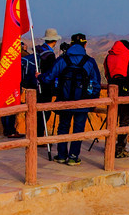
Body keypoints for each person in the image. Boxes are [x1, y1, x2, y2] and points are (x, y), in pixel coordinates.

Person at [40, 33, 101, 165]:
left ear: (71, 44)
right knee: (78, 130)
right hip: (82, 102)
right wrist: (92, 99)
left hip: (64, 101)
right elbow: (96, 84)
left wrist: (40, 77)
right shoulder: (89, 62)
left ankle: (61, 155)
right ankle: (73, 157)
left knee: (63, 127)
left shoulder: (63, 59)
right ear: (85, 44)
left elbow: (49, 77)